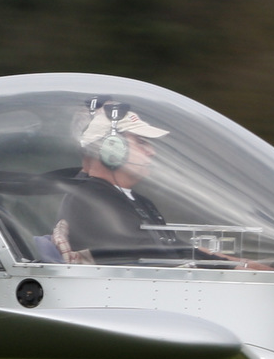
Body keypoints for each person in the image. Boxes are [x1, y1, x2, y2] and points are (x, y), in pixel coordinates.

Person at [52, 100, 187, 265]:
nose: (152, 152)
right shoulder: (92, 200)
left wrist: (215, 258)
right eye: (141, 142)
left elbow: (174, 248)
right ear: (112, 149)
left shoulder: (135, 200)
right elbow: (145, 256)